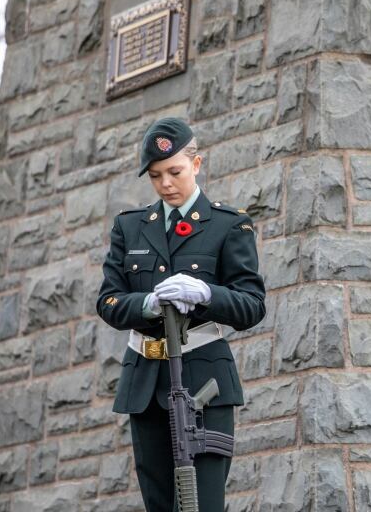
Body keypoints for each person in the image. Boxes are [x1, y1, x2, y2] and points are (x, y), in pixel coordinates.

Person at [96, 117, 266, 511]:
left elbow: (252, 304)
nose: (166, 184)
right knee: (160, 504)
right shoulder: (130, 227)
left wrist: (206, 293)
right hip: (145, 382)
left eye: (174, 172)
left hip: (203, 378)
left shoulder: (229, 225)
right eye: (155, 176)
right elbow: (109, 301)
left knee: (199, 505)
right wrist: (147, 304)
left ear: (196, 164)